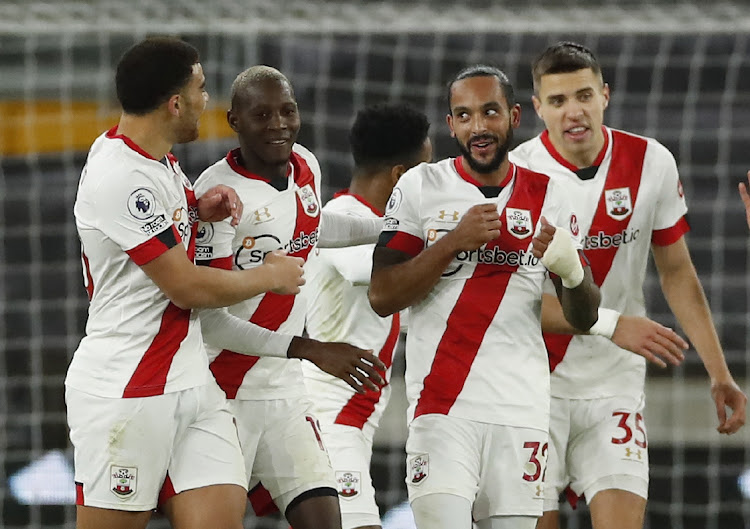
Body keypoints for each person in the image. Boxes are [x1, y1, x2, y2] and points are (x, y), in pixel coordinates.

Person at [66, 37, 305, 529]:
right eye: (201, 89)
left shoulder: (156, 160)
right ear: (175, 104)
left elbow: (154, 223)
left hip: (193, 384)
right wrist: (268, 277)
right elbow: (186, 288)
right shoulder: (121, 176)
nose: (208, 100)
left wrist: (197, 208)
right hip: (128, 391)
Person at [508, 41, 747, 529]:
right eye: (557, 101)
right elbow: (511, 303)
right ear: (537, 109)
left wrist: (719, 372)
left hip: (614, 384)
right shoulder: (517, 176)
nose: (573, 111)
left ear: (605, 95)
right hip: (532, 384)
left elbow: (677, 270)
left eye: (583, 95)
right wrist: (607, 323)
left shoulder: (650, 161)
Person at [368, 65, 601, 529]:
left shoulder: (548, 195)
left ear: (513, 117)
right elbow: (382, 294)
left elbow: (583, 316)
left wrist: (570, 269)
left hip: (522, 411)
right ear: (451, 124)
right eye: (464, 115)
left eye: (489, 112)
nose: (478, 127)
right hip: (442, 408)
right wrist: (452, 242)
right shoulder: (420, 186)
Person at [191, 65, 388, 529]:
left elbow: (314, 228)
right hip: (222, 392)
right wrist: (310, 349)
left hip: (285, 395)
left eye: (287, 110)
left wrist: (395, 230)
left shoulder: (305, 164)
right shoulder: (217, 194)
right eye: (262, 114)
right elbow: (210, 318)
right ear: (234, 120)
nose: (279, 124)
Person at [303, 103, 433, 529]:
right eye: (426, 173)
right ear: (401, 176)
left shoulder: (372, 227)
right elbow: (371, 272)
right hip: (329, 420)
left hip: (348, 423)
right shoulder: (347, 220)